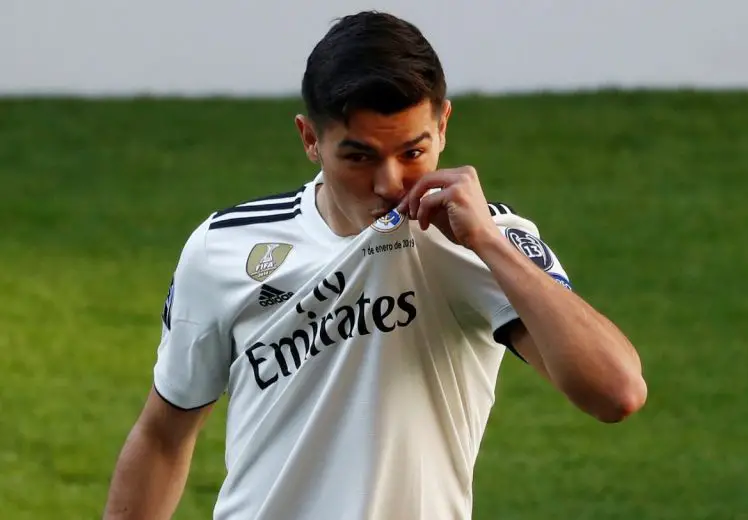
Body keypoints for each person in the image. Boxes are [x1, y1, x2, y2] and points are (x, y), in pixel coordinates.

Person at [102, 10, 647, 520]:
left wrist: (488, 243)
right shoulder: (225, 249)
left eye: (413, 152)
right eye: (360, 157)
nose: (389, 183)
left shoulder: (482, 244)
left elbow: (616, 393)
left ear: (443, 125)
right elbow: (163, 436)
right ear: (310, 139)